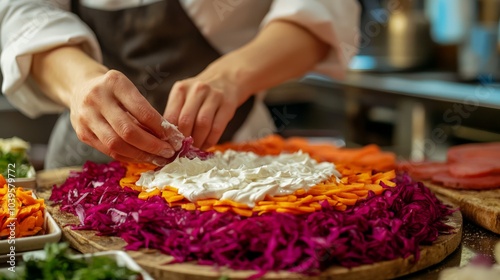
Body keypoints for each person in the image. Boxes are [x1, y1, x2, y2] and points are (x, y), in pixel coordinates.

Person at [0, 0, 360, 169]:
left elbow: (324, 8)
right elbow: (20, 10)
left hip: (241, 163)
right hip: (83, 160)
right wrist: (80, 82)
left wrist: (234, 74)